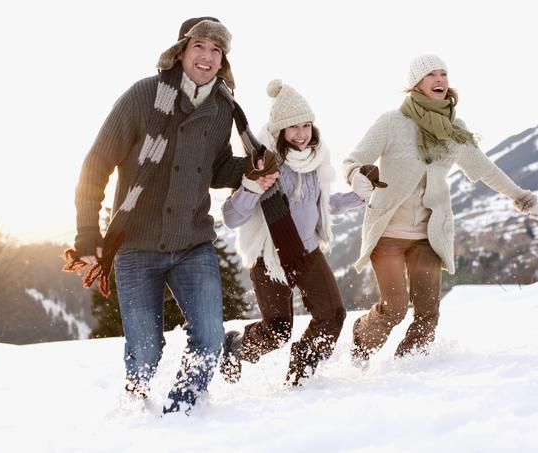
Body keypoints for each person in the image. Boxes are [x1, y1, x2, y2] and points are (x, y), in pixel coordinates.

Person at [69, 17, 276, 414]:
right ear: (181, 50)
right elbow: (97, 163)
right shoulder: (143, 96)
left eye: (217, 50)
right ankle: (134, 406)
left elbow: (214, 169)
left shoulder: (222, 109)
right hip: (136, 245)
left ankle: (183, 410)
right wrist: (86, 232)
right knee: (145, 352)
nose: (208, 56)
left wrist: (251, 171)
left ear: (223, 61)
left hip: (192, 243)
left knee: (211, 337)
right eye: (200, 46)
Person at [343, 54, 538, 364]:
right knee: (395, 308)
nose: (440, 79)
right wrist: (356, 177)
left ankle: (408, 368)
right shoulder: (391, 122)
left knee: (428, 312)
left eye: (443, 73)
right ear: (416, 84)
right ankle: (361, 341)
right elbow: (353, 161)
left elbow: (486, 169)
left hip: (430, 234)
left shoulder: (455, 129)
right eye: (431, 74)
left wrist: (522, 197)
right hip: (388, 232)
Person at [219, 80, 378, 386]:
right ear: (279, 130)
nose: (301, 134)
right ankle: (236, 347)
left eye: (306, 125)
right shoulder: (261, 162)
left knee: (333, 315)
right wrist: (254, 186)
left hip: (307, 252)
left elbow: (320, 205)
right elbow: (231, 217)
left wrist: (358, 196)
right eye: (293, 127)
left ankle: (300, 373)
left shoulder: (316, 161)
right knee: (277, 330)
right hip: (269, 257)